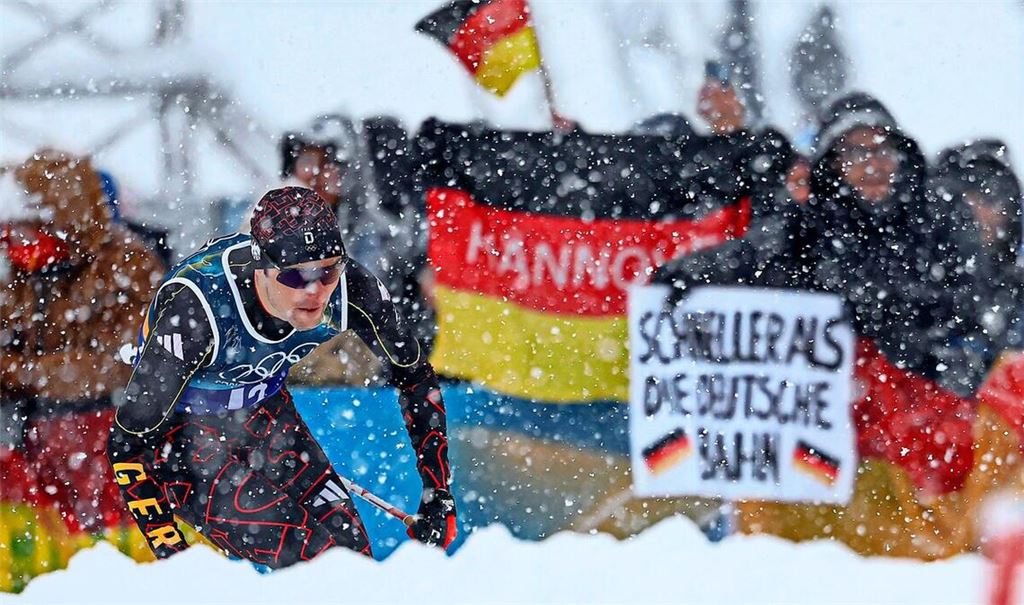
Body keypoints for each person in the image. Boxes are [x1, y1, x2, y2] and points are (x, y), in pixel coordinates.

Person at [106, 187, 456, 569]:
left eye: (328, 271)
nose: (315, 291)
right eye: (295, 276)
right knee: (311, 563)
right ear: (262, 265)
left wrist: (438, 493)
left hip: (265, 413)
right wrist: (171, 553)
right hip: (185, 437)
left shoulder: (351, 288)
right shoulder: (197, 311)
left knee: (351, 564)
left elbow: (415, 375)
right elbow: (127, 445)